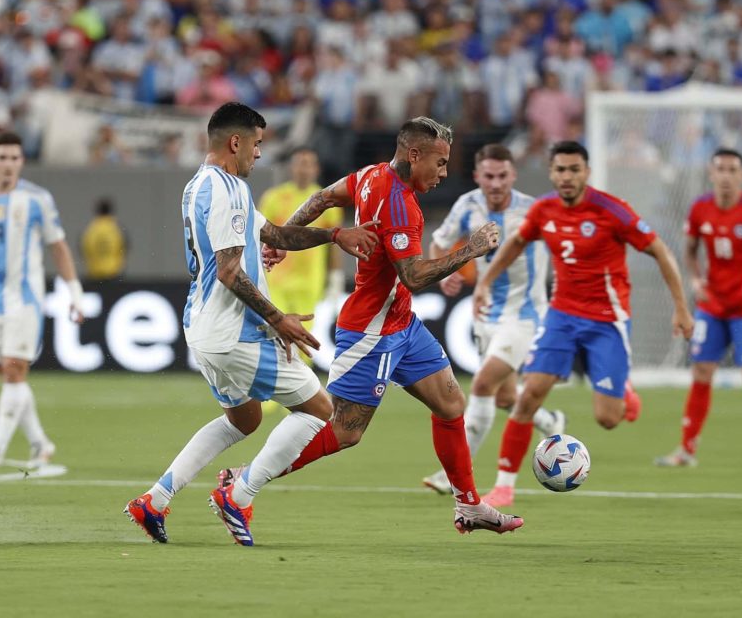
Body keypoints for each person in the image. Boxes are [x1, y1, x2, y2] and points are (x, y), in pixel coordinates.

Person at [239, 116, 526, 536]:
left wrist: (282, 238)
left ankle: (468, 506)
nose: (444, 173)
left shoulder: (371, 175)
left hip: (402, 323)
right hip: (372, 329)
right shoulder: (399, 203)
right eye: (440, 162)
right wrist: (472, 249)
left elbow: (320, 198)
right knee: (343, 432)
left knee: (450, 405)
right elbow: (412, 274)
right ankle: (245, 479)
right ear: (414, 155)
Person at [122, 102, 379, 546]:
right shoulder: (228, 190)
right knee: (323, 412)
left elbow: (276, 235)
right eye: (257, 144)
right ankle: (239, 495)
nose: (260, 154)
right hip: (234, 333)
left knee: (244, 419)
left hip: (202, 328)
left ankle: (155, 500)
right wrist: (278, 319)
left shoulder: (201, 186)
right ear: (235, 142)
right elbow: (228, 270)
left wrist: (336, 234)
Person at [475, 140, 693, 506]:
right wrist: (484, 281)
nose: (567, 176)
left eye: (574, 170)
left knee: (608, 419)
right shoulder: (544, 210)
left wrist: (682, 308)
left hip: (606, 320)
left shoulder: (612, 211)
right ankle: (504, 486)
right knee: (529, 395)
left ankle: (623, 393)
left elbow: (660, 250)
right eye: (560, 170)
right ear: (552, 173)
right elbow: (516, 242)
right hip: (561, 316)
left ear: (586, 173)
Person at [420, 143, 563, 496]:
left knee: (482, 385)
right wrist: (443, 272)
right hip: (485, 315)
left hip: (526, 315)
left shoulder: (533, 210)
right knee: (503, 397)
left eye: (502, 176)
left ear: (513, 176)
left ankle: (451, 474)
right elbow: (438, 244)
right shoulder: (467, 206)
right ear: (477, 176)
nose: (496, 183)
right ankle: (550, 421)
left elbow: (563, 251)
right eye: (489, 176)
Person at [0, 131, 85, 469]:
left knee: (14, 369)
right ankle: (40, 442)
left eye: (14, 158)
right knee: (8, 374)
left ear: (22, 161)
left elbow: (59, 247)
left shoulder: (38, 199)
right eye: (2, 157)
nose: (8, 164)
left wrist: (75, 292)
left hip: (24, 297)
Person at [656, 148, 742, 467]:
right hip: (712, 306)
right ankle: (687, 450)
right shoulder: (700, 209)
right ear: (711, 173)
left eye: (733, 170)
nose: (727, 176)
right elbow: (689, 250)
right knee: (702, 371)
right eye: (721, 169)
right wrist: (695, 279)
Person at [258, 147, 345, 327]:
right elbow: (260, 238)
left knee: (303, 334)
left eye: (308, 164)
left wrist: (335, 276)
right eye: (299, 164)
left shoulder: (328, 200)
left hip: (310, 280)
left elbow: (334, 243)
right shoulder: (273, 198)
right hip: (277, 279)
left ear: (316, 169)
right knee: (277, 332)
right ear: (291, 167)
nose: (303, 169)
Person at [80, 198, 127, 280]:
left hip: (94, 274)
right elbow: (124, 248)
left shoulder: (90, 229)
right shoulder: (117, 228)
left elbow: (83, 249)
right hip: (114, 274)